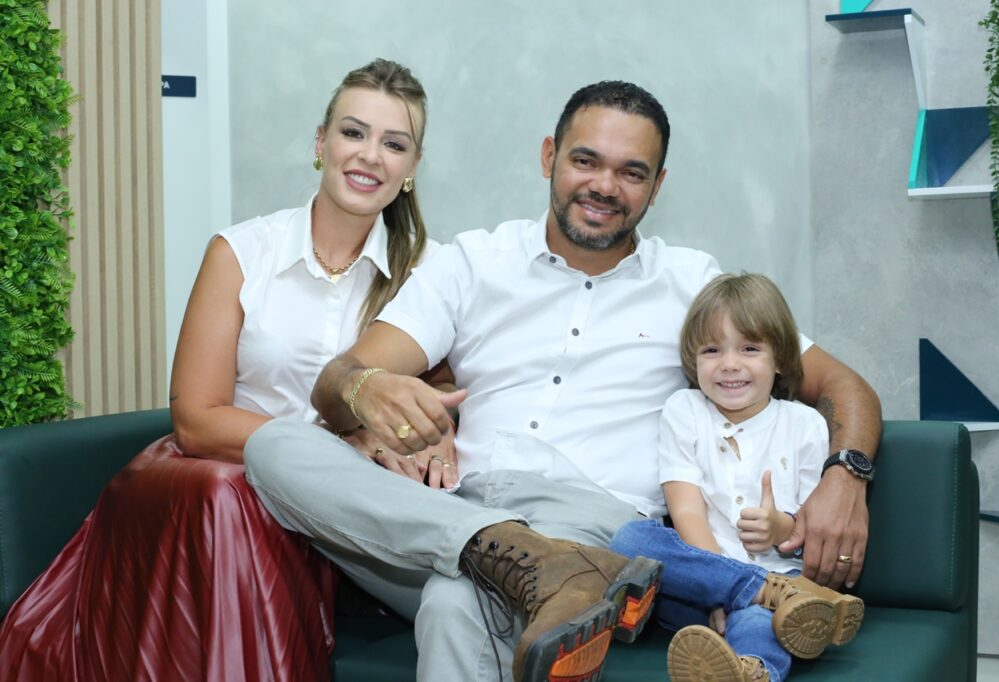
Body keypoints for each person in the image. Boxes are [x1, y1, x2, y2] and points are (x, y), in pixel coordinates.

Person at [242, 80, 882, 682]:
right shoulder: (475, 262)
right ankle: (505, 554)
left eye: (631, 172)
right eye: (585, 160)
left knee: (455, 604)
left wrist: (846, 475)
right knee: (274, 445)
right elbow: (337, 380)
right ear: (549, 156)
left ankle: (541, 566)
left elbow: (842, 384)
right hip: (453, 509)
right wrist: (365, 393)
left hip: (593, 531)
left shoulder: (691, 284)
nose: (604, 185)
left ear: (657, 186)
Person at [0, 58, 446, 682]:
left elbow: (446, 398)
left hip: (330, 514)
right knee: (228, 496)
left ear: (412, 168)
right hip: (210, 479)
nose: (370, 155)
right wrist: (334, 448)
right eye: (353, 132)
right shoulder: (240, 252)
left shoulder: (432, 275)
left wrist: (426, 431)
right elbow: (195, 419)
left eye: (393, 144)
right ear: (321, 143)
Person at [610, 273, 865, 682]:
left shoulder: (805, 425)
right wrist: (718, 586)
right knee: (629, 539)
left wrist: (780, 528)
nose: (729, 364)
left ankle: (752, 671)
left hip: (783, 578)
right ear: (693, 360)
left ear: (779, 358)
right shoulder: (684, 410)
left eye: (749, 349)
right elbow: (686, 511)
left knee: (758, 621)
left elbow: (809, 527)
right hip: (700, 585)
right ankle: (758, 591)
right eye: (712, 350)